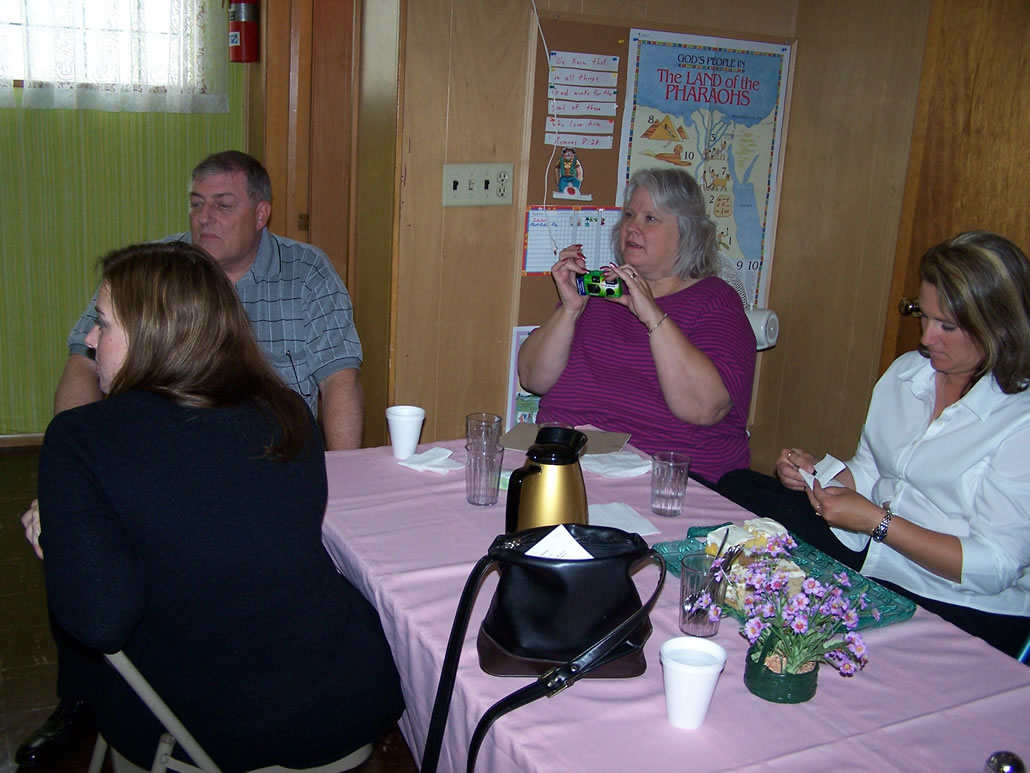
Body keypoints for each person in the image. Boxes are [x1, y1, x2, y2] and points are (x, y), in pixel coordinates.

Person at [16, 150, 365, 766]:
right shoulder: (289, 415)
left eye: (104, 325)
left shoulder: (305, 277)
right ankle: (74, 704)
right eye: (196, 202)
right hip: (340, 706)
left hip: (206, 726)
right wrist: (81, 474)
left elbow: (101, 620)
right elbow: (80, 364)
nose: (91, 337)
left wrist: (75, 498)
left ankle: (88, 706)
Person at [717, 231, 1030, 658]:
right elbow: (871, 472)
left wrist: (878, 523)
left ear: (998, 327)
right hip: (877, 564)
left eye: (947, 326)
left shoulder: (1018, 421)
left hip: (964, 604)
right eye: (924, 316)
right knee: (737, 485)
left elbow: (995, 566)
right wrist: (815, 473)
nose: (926, 338)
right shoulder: (908, 374)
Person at [56, 150, 364, 451]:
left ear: (260, 214)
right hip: (170, 452)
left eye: (223, 206)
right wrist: (71, 458)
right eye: (196, 204)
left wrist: (344, 475)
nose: (204, 218)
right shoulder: (152, 271)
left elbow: (339, 380)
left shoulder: (307, 271)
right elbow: (83, 361)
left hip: (275, 453)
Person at [518, 167, 756, 484]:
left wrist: (653, 317)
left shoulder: (716, 300)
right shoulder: (600, 289)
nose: (632, 227)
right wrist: (571, 309)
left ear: (688, 233)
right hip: (565, 461)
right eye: (629, 215)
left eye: (650, 219)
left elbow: (704, 408)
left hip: (662, 480)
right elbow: (532, 378)